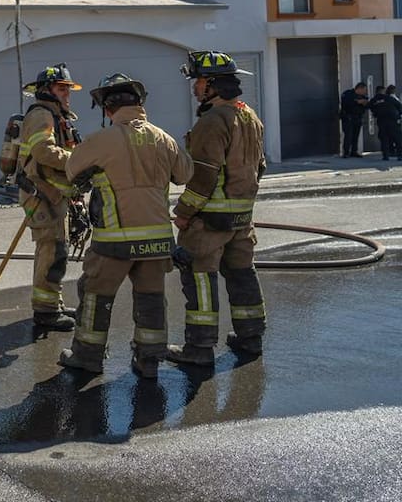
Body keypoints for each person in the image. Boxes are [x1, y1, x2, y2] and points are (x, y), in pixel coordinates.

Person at [58, 74, 194, 379]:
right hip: (158, 240)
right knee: (151, 299)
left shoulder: (100, 140)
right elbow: (185, 173)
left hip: (114, 242)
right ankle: (149, 361)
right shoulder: (164, 138)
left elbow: (71, 171)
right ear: (139, 104)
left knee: (95, 295)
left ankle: (87, 357)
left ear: (108, 109)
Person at [166, 51, 267, 367]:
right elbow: (259, 167)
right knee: (242, 276)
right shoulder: (250, 116)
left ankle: (199, 347)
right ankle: (250, 337)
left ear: (213, 85)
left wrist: (184, 212)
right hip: (241, 219)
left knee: (199, 278)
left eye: (198, 82)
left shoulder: (212, 121)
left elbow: (204, 175)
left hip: (210, 222)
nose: (195, 88)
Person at [16, 63, 83, 331]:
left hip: (53, 195)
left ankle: (51, 303)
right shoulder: (42, 115)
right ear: (47, 91)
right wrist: (79, 160)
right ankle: (45, 312)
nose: (67, 94)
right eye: (61, 89)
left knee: (55, 249)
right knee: (51, 250)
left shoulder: (55, 114)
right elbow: (44, 152)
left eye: (68, 89)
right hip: (41, 195)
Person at [368, 85, 402, 161]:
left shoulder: (374, 100)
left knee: (384, 138)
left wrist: (375, 113)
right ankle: (400, 155)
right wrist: (398, 115)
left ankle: (386, 156)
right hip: (392, 120)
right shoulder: (389, 98)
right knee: (397, 138)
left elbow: (369, 106)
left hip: (381, 120)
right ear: (383, 91)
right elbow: (399, 106)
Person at [339, 82, 368, 157]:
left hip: (358, 117)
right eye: (364, 90)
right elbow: (345, 103)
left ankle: (354, 151)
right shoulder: (348, 94)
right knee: (348, 135)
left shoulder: (363, 96)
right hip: (348, 117)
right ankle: (346, 152)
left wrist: (364, 103)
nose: (365, 92)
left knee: (356, 135)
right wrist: (356, 102)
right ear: (359, 88)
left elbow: (366, 105)